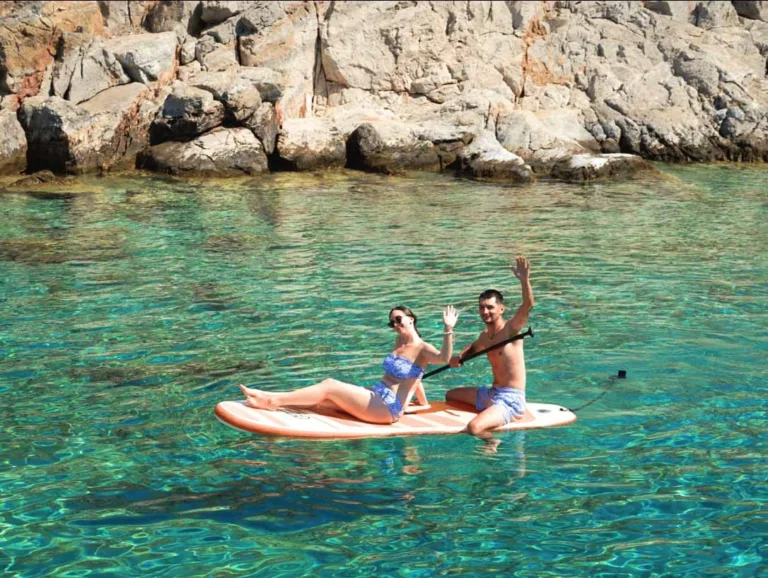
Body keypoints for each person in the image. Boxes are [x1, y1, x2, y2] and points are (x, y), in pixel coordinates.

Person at [239, 305, 459, 424]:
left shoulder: (423, 349)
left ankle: (272, 401)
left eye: (398, 319)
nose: (395, 324)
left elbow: (444, 358)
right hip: (375, 395)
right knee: (323, 400)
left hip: (387, 409)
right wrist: (423, 403)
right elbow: (414, 377)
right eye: (391, 322)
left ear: (411, 319)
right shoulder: (400, 343)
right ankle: (270, 395)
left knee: (330, 385)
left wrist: (448, 329)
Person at [446, 256, 534, 439]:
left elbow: (527, 306)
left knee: (474, 427)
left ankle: (491, 443)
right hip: (492, 393)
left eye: (490, 307)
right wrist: (458, 358)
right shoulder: (485, 337)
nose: (485, 312)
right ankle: (491, 413)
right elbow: (473, 349)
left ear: (501, 309)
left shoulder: (511, 330)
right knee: (450, 395)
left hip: (511, 399)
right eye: (481, 307)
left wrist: (524, 281)